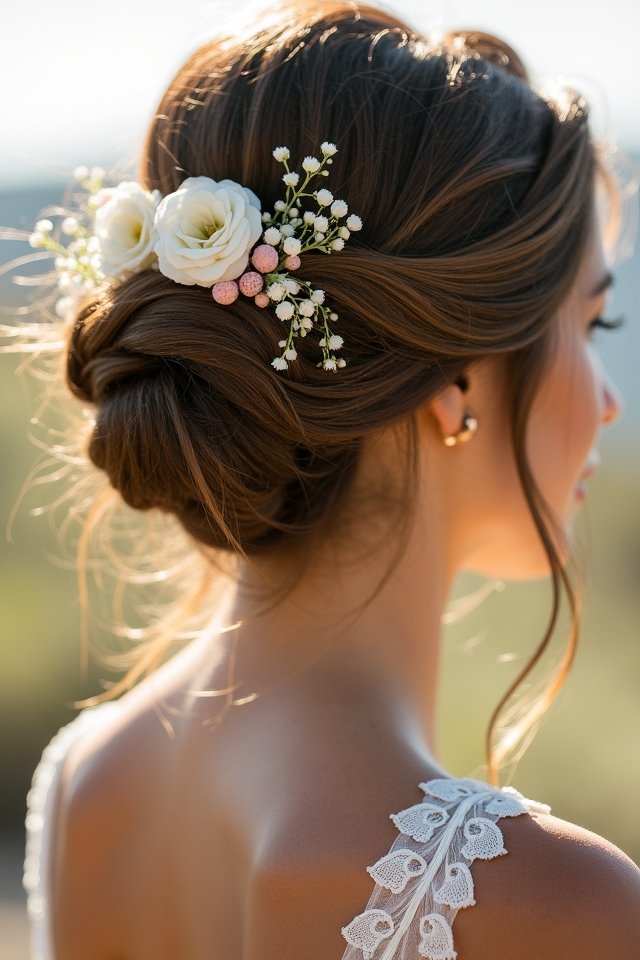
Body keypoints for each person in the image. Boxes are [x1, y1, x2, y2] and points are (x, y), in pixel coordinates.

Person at [10, 1, 640, 957]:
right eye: (591, 327)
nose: (608, 406)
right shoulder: (558, 904)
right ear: (456, 375)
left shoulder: (85, 784)